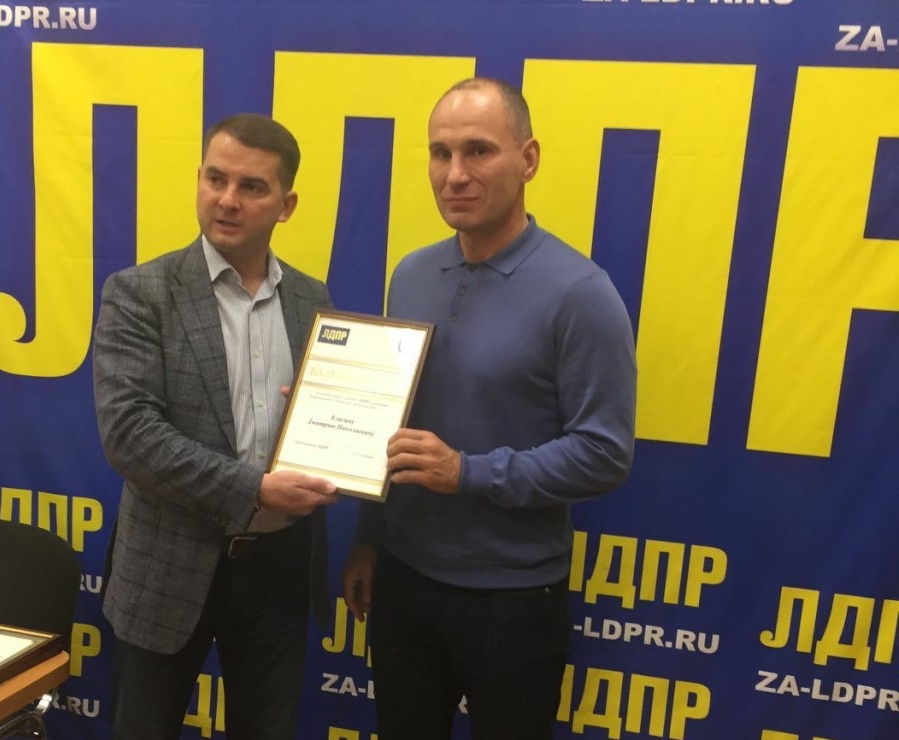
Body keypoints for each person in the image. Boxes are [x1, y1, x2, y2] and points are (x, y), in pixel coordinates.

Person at [343, 78, 637, 739]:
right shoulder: (410, 274)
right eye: (440, 153)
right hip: (405, 579)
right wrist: (369, 537)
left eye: (478, 151)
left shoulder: (582, 294)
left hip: (512, 598)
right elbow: (395, 420)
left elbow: (605, 453)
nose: (455, 174)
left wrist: (467, 472)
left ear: (528, 159)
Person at [93, 113, 338, 740]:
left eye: (251, 187)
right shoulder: (139, 292)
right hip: (167, 565)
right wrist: (254, 489)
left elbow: (331, 425)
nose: (228, 199)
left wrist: (323, 421)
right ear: (199, 178)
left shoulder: (312, 300)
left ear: (286, 205)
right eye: (216, 178)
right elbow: (130, 434)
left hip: (279, 569)